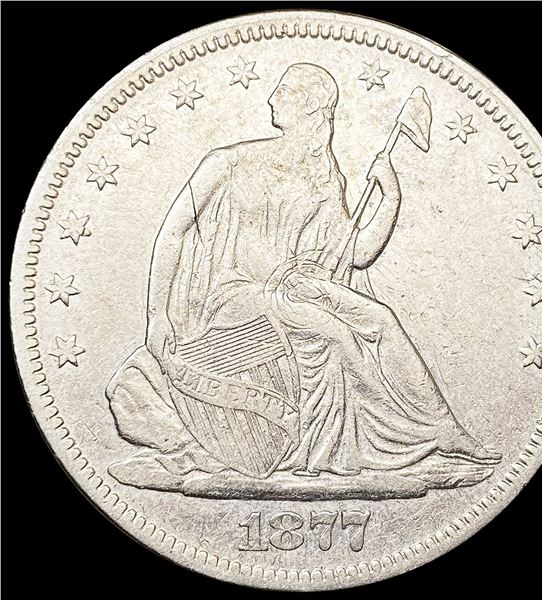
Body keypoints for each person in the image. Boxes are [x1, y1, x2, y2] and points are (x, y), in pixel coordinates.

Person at [107, 63, 500, 481]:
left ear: (311, 107)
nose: (272, 99)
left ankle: (443, 430)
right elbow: (173, 232)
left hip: (291, 288)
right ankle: (389, 441)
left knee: (381, 318)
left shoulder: (325, 179)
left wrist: (390, 198)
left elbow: (357, 253)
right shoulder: (228, 163)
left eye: (284, 92)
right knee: (336, 332)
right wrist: (157, 315)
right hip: (230, 297)